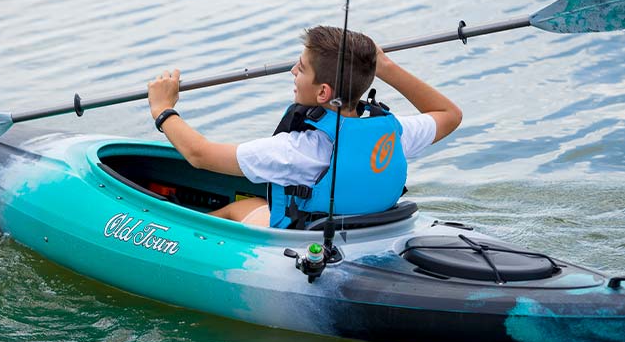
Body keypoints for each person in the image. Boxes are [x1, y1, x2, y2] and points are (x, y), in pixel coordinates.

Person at [147, 25, 462, 228]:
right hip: (371, 230)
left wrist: (163, 109)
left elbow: (199, 155)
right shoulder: (393, 135)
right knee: (256, 203)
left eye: (301, 67)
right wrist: (386, 68)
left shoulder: (295, 151)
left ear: (323, 92)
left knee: (237, 210)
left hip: (306, 244)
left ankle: (188, 240)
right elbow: (449, 113)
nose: (293, 71)